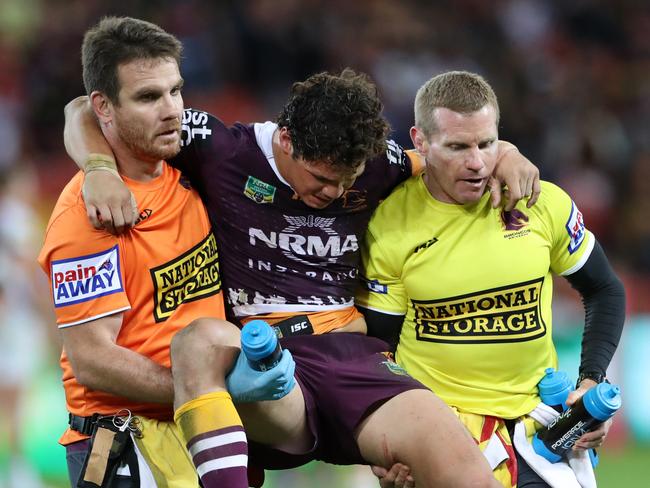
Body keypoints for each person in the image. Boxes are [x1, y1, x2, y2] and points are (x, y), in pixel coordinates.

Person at [64, 28, 540, 486]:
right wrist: (98, 167)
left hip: (352, 356)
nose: (334, 193)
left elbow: (452, 152)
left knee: (465, 473)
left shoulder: (379, 164)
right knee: (202, 342)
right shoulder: (220, 149)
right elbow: (84, 107)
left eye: (347, 182)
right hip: (262, 364)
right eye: (319, 179)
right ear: (287, 141)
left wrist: (509, 153)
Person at [39, 17, 296, 487]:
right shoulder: (89, 215)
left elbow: (77, 111)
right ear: (106, 107)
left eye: (176, 91)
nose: (172, 110)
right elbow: (92, 360)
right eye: (148, 97)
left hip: (203, 426)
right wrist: (207, 389)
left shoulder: (190, 166)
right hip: (128, 442)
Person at [356, 71, 626, 488]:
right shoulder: (389, 225)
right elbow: (378, 349)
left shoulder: (541, 200)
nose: (477, 162)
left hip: (542, 426)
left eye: (486, 143)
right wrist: (391, 440)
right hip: (443, 430)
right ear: (421, 141)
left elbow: (604, 288)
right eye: (458, 147)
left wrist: (591, 381)